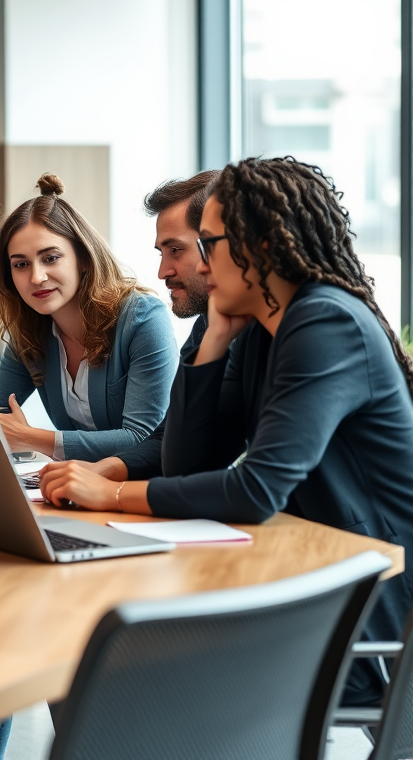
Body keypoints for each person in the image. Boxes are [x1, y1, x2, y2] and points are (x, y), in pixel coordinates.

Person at [39, 156, 413, 706]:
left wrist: (114, 492)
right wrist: (214, 342)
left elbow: (256, 491)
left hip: (374, 620)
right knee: (97, 658)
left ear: (260, 248)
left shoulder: (324, 321)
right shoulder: (261, 326)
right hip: (314, 581)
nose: (199, 268)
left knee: (120, 673)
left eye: (206, 243)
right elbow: (187, 463)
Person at [0, 174, 177, 461]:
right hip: (77, 488)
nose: (36, 277)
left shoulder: (142, 318)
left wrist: (28, 438)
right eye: (21, 264)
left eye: (51, 258)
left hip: (143, 488)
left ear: (83, 259)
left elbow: (142, 439)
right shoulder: (29, 334)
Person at [87, 170, 218, 482]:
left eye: (176, 250)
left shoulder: (315, 325)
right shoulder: (211, 324)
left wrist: (112, 494)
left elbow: (253, 479)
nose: (162, 272)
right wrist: (97, 471)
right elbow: (171, 442)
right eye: (162, 253)